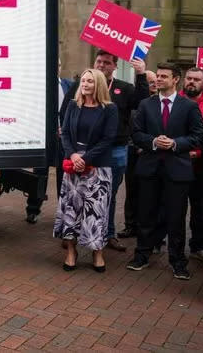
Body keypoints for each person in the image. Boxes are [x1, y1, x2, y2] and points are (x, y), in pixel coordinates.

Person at [62, 50, 148, 252]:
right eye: (99, 61)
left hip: (115, 149)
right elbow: (65, 111)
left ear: (115, 66)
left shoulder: (124, 88)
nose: (101, 65)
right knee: (76, 194)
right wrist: (69, 146)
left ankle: (106, 234)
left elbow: (143, 102)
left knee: (107, 195)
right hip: (81, 150)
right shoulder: (80, 85)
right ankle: (73, 234)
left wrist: (141, 75)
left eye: (107, 62)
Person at [127, 62, 203, 280]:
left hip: (177, 170)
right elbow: (136, 133)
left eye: (163, 76)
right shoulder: (145, 104)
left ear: (175, 79)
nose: (158, 79)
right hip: (149, 168)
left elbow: (198, 136)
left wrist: (174, 143)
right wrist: (153, 141)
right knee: (146, 214)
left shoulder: (188, 106)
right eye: (157, 75)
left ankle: (178, 261)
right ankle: (142, 255)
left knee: (176, 217)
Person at [54, 69, 118, 272]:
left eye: (90, 81)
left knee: (96, 212)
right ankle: (71, 252)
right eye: (83, 80)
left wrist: (86, 158)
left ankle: (97, 253)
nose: (85, 84)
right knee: (72, 210)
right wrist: (73, 155)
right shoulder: (73, 105)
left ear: (98, 84)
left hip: (98, 167)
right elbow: (64, 134)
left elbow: (109, 139)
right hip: (74, 167)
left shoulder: (109, 109)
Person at [178, 67, 203, 266]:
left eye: (196, 79)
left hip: (201, 168)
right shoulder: (173, 100)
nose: (191, 82)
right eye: (189, 78)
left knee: (200, 210)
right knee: (170, 207)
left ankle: (198, 247)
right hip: (175, 163)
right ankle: (163, 243)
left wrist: (199, 153)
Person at [26, 59, 72, 223]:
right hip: (44, 138)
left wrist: (66, 129)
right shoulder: (38, 88)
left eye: (58, 65)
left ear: (60, 67)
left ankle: (63, 212)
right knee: (40, 174)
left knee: (63, 175)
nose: (55, 69)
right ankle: (33, 209)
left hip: (63, 138)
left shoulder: (69, 85)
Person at [120, 69, 158, 239]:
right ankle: (130, 225)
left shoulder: (161, 103)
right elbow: (131, 127)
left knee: (152, 192)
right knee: (132, 189)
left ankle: (151, 227)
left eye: (155, 81)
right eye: (150, 82)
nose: (154, 85)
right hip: (133, 151)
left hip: (153, 152)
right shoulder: (136, 103)